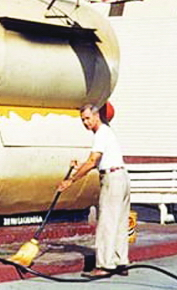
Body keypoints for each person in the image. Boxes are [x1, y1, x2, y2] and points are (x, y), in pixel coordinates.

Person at [58, 103, 130, 278]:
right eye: (82, 119)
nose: (85, 122)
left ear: (96, 116)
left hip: (112, 180)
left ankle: (105, 265)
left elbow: (92, 161)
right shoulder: (107, 132)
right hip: (121, 176)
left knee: (106, 222)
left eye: (87, 118)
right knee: (119, 221)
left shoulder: (100, 133)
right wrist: (78, 167)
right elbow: (95, 162)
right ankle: (121, 262)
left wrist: (70, 181)